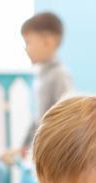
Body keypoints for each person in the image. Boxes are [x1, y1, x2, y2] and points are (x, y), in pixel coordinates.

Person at [20, 12, 75, 156]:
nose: (26, 49)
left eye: (28, 43)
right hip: (46, 149)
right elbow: (39, 115)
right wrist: (25, 143)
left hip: (57, 151)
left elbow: (68, 115)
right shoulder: (41, 75)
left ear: (47, 42)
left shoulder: (59, 75)